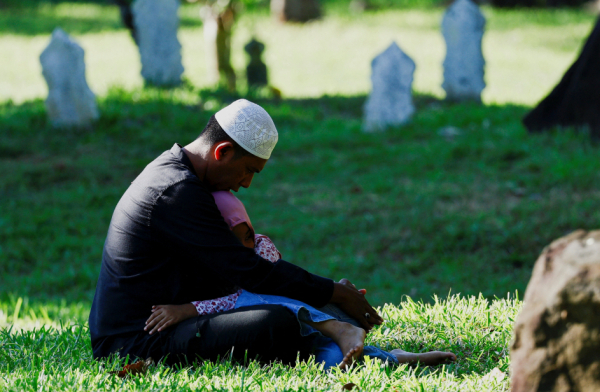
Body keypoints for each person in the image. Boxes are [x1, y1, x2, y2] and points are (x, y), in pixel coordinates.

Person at [88, 99, 382, 366]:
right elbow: (247, 270)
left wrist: (328, 293)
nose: (247, 183)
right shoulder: (175, 191)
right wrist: (333, 292)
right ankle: (338, 337)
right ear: (223, 151)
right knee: (276, 322)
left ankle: (343, 333)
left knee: (283, 308)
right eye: (249, 170)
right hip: (134, 341)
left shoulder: (180, 175)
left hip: (176, 320)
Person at [143, 191, 457, 368]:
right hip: (287, 332)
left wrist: (189, 309)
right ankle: (395, 358)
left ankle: (345, 328)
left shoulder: (260, 251)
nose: (240, 250)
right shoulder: (212, 263)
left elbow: (276, 289)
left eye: (246, 237)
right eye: (230, 241)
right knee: (334, 359)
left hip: (301, 315)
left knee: (251, 295)